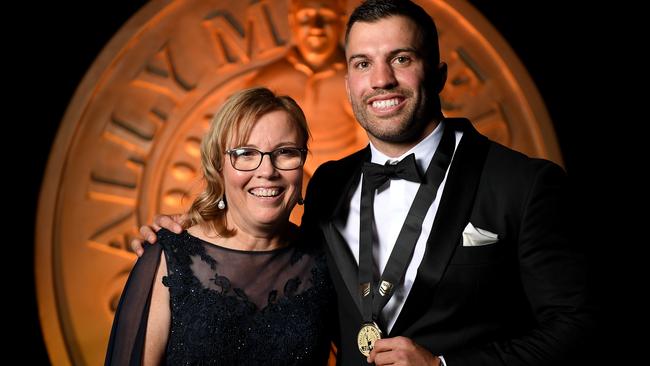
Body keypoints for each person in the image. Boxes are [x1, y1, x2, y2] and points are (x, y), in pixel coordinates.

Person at [133, 1, 594, 365]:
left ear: (438, 74)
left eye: (401, 58)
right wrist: (188, 235)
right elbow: (268, 258)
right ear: (349, 81)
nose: (381, 80)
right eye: (362, 63)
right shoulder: (329, 185)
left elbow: (577, 327)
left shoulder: (525, 183)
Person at [106, 87, 335, 365]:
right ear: (219, 167)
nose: (267, 171)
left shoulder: (327, 264)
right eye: (246, 153)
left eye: (285, 152)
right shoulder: (168, 256)